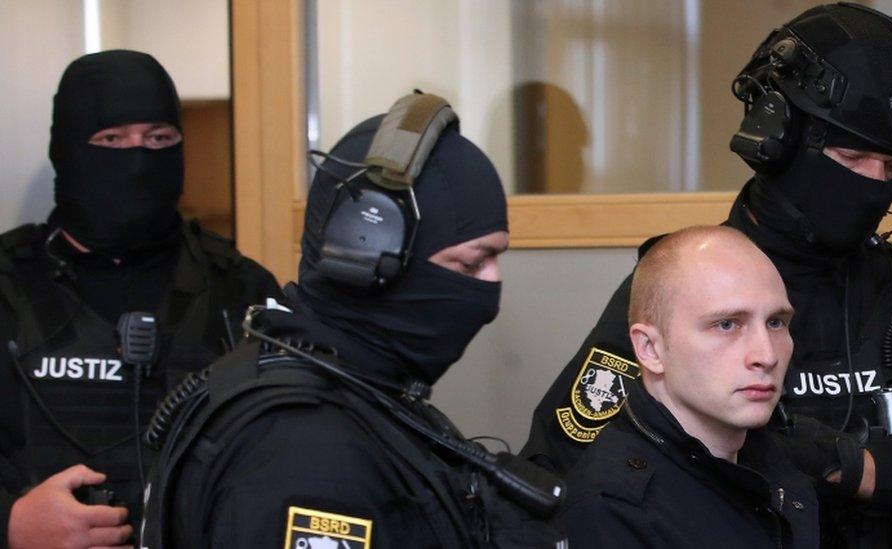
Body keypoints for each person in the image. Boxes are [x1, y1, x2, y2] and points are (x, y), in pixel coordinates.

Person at [523, 3, 892, 547]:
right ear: (777, 135)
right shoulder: (691, 289)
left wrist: (858, 469)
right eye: (853, 156)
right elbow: (567, 481)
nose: (875, 184)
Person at [140, 93, 565, 548]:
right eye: (469, 265)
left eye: (495, 260)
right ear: (363, 253)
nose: (490, 291)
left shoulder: (349, 393)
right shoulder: (303, 450)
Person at [0, 50, 282, 549]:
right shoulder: (7, 286)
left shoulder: (240, 290)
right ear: (65, 149)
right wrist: (12, 524)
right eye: (111, 139)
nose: (137, 158)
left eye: (159, 138)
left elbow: (290, 457)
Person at [558, 226, 817, 548]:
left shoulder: (777, 463)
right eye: (726, 325)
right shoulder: (614, 509)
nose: (766, 356)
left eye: (776, 322)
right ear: (651, 349)